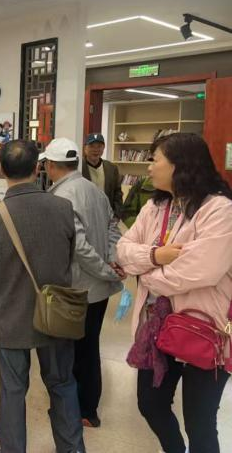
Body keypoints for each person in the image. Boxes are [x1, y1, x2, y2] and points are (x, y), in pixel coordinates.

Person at [116, 133, 232, 453]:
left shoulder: (219, 210)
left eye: (155, 160)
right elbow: (123, 250)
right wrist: (156, 256)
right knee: (150, 404)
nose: (149, 168)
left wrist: (147, 275)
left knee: (200, 421)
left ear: (180, 165)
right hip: (156, 327)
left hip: (205, 328)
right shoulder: (156, 207)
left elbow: (200, 270)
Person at [0, 139, 85, 453]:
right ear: (38, 168)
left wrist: (6, 284)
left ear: (1, 168)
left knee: (12, 388)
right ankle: (72, 448)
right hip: (57, 312)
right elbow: (69, 256)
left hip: (9, 313)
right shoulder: (62, 208)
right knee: (62, 383)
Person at [42, 137, 125, 428]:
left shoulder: (60, 197)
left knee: (73, 352)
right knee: (89, 348)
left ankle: (82, 409)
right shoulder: (94, 190)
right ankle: (88, 408)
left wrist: (105, 270)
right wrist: (113, 261)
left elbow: (78, 247)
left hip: (77, 290)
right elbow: (113, 228)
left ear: (51, 165)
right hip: (98, 291)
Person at [82, 133, 124, 219]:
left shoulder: (112, 168)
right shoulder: (79, 168)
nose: (95, 150)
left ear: (103, 148)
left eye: (99, 146)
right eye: (92, 146)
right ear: (85, 148)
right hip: (85, 216)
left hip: (107, 215)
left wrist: (116, 215)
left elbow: (117, 194)